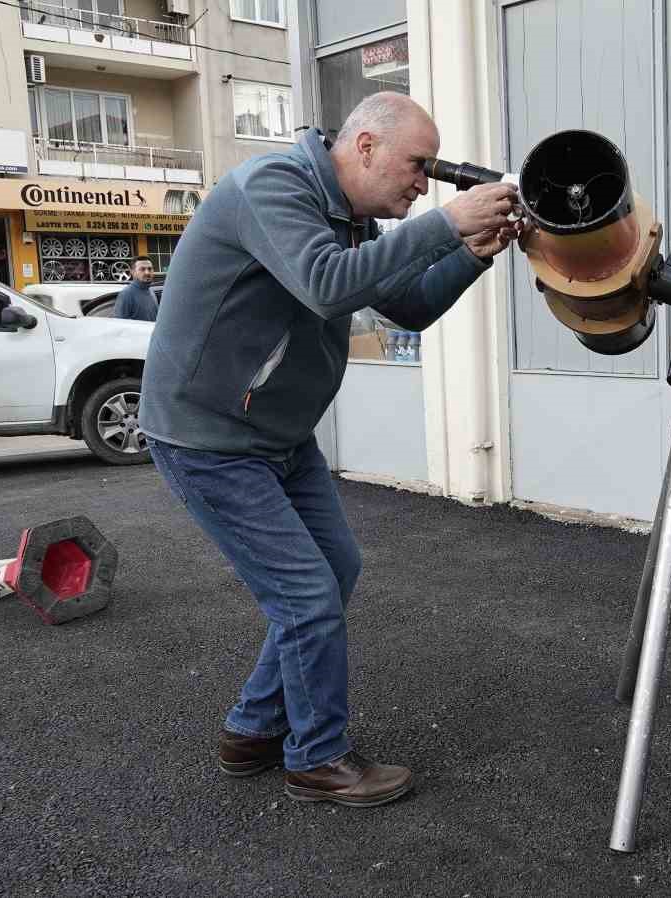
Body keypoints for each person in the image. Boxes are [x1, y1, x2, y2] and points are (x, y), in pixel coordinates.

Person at [139, 92, 521, 809]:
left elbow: (406, 305)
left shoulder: (350, 218)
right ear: (366, 146)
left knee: (334, 570)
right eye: (417, 165)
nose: (424, 182)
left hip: (277, 435)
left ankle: (253, 729)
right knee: (306, 596)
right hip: (208, 435)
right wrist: (447, 221)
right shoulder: (272, 188)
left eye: (432, 173)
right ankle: (315, 757)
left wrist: (472, 251)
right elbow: (324, 287)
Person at [113, 256, 158, 321]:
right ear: (133, 272)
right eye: (142, 269)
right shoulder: (126, 294)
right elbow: (119, 323)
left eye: (150, 269)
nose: (147, 272)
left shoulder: (151, 291)